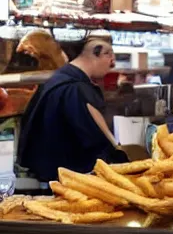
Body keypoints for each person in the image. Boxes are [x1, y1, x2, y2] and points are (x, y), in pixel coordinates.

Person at [19, 33, 127, 182]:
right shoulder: (76, 89)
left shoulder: (58, 80)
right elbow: (97, 139)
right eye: (110, 61)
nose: (111, 67)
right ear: (98, 53)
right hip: (69, 179)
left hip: (49, 174)